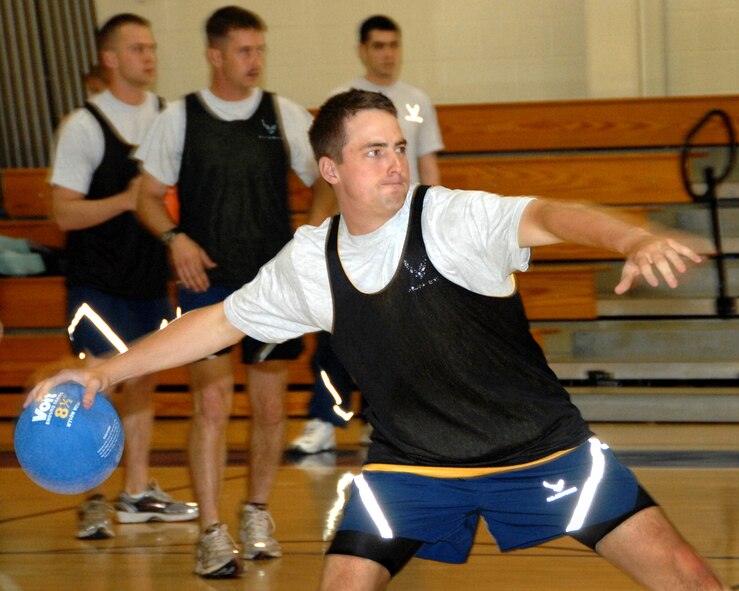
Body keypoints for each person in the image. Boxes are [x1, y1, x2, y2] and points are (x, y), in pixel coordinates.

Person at [28, 90, 730, 591]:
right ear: (330, 171)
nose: (395, 162)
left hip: (539, 446)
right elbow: (216, 321)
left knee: (688, 577)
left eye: (398, 147)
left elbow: (552, 214)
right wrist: (107, 371)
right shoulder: (309, 260)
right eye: (373, 151)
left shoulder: (452, 217)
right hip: (411, 467)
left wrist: (634, 236)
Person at [134, 6, 332, 578]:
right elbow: (147, 195)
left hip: (273, 288)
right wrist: (175, 239)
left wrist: (308, 235)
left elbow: (323, 177)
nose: (255, 61)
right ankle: (211, 532)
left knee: (270, 409)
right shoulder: (180, 118)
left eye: (259, 50)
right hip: (207, 286)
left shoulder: (284, 114)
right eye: (244, 51)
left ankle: (256, 512)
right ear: (215, 54)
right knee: (213, 404)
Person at [49, 13, 197, 541]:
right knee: (96, 384)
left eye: (153, 47)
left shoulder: (170, 117)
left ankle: (135, 493)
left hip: (150, 280)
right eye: (137, 49)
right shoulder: (84, 125)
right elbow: (64, 213)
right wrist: (128, 199)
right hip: (96, 283)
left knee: (141, 382)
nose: (150, 57)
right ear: (110, 59)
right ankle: (90, 495)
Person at [290, 14, 445, 455]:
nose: (387, 53)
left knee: (405, 333)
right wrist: (316, 232)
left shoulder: (418, 101)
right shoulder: (341, 99)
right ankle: (324, 418)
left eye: (393, 44)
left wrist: (431, 228)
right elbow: (327, 181)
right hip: (355, 235)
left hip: (404, 234)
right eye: (378, 46)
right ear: (362, 50)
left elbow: (429, 171)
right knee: (338, 328)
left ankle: (391, 422)